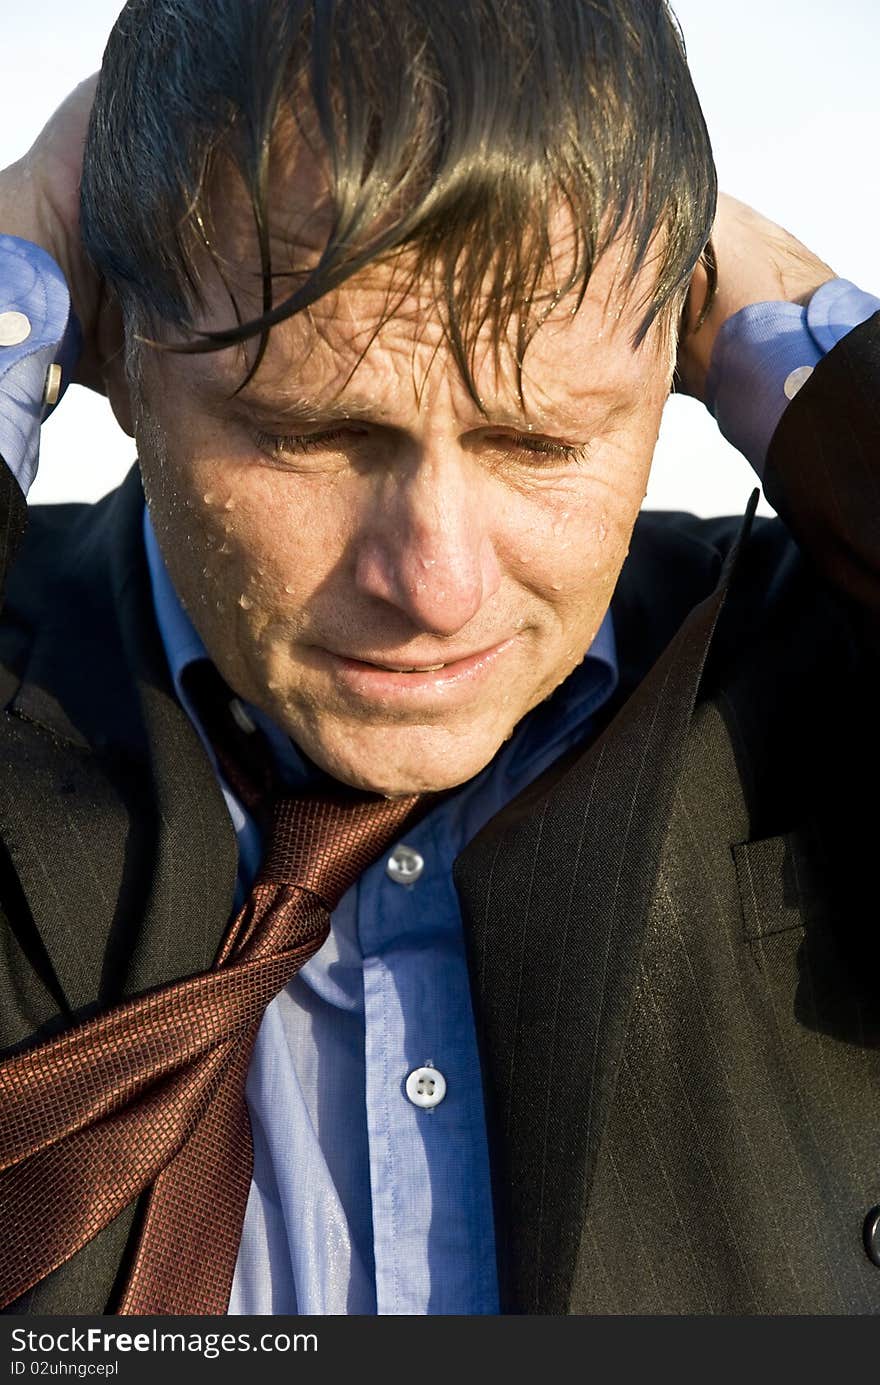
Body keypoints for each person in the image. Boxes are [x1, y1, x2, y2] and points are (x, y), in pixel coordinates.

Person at [0, 0, 878, 1316]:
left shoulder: (815, 683)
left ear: (668, 357)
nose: (434, 583)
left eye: (543, 441)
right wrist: (22, 254)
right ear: (112, 339)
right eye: (307, 434)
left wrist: (760, 293)